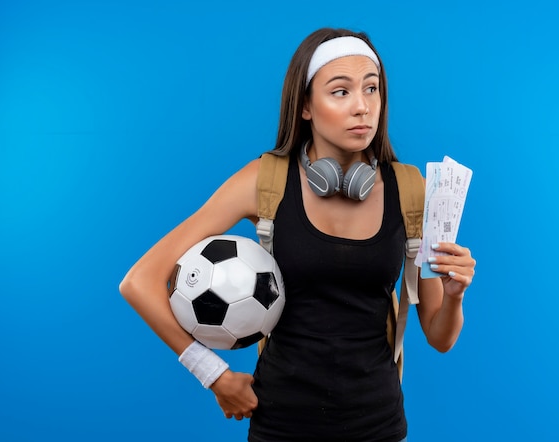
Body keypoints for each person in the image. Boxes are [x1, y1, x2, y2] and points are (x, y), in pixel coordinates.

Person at [119, 27, 476, 442]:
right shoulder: (265, 182)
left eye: (372, 88)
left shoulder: (410, 189)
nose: (363, 107)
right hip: (281, 426)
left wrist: (454, 296)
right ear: (305, 106)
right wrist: (212, 374)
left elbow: (440, 337)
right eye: (340, 92)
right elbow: (139, 282)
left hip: (378, 425)